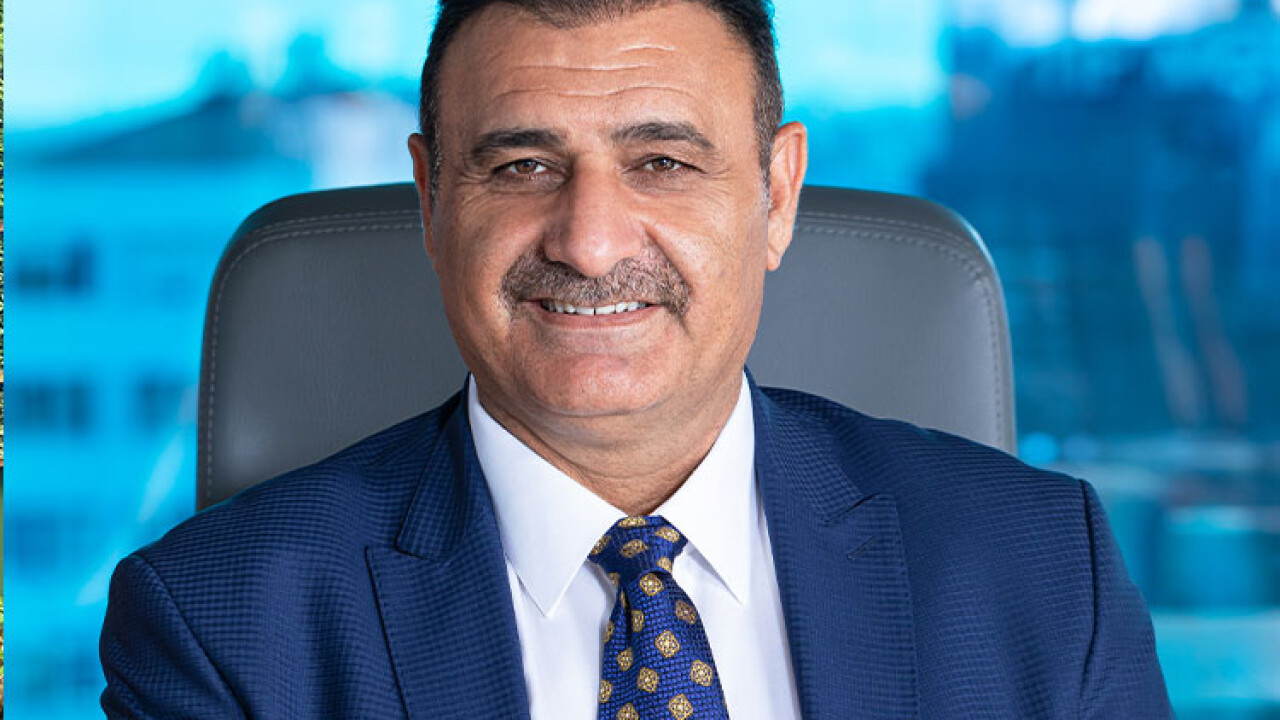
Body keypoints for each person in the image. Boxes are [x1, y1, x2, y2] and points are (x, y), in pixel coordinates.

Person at [99, 0, 1173, 718]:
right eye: (523, 166)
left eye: (661, 161)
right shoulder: (219, 628)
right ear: (431, 199)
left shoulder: (1043, 570)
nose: (589, 241)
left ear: (776, 195)